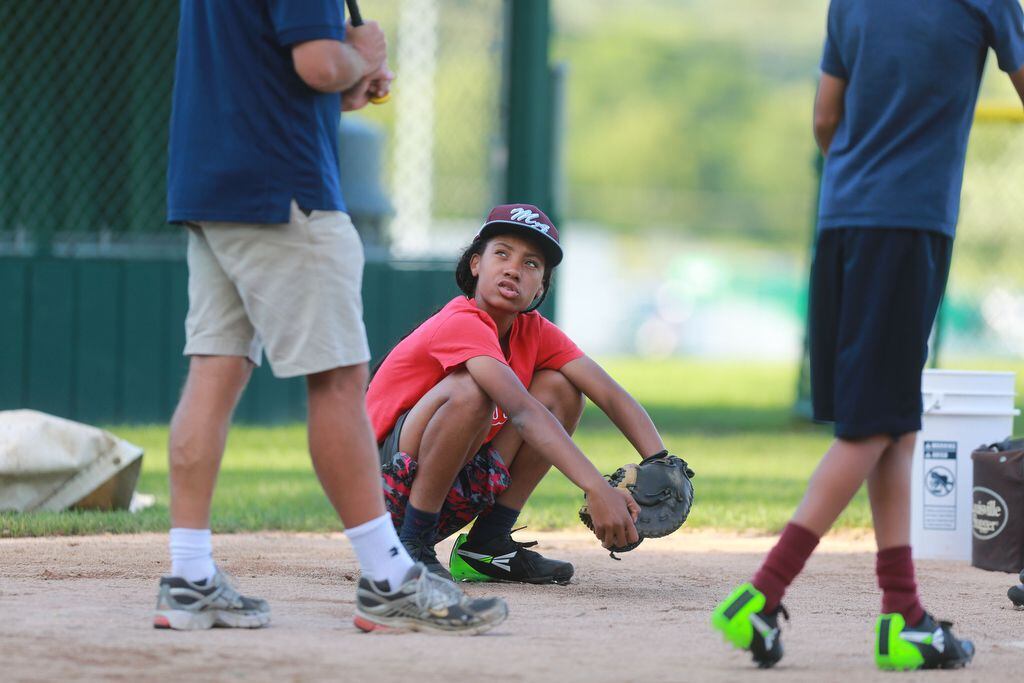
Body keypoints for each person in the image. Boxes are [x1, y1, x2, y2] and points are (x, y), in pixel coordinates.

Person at [156, 0, 506, 634]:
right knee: (340, 382)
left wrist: (347, 77)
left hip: (211, 186)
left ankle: (189, 576)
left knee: (214, 371)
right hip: (284, 188)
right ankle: (390, 580)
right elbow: (317, 64)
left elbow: (281, 74)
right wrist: (358, 56)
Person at [711, 0, 1024, 671]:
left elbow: (826, 117)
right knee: (868, 428)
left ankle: (902, 617)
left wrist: (865, 173)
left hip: (844, 218)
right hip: (908, 227)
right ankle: (759, 595)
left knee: (894, 425)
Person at [366, 203, 673, 584]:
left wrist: (661, 461)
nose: (514, 267)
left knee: (562, 390)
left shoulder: (533, 330)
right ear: (476, 264)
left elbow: (608, 392)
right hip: (380, 491)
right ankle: (410, 547)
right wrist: (596, 487)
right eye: (501, 253)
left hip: (446, 481)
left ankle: (488, 546)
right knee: (472, 392)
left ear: (541, 286)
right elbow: (523, 413)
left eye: (531, 264)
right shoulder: (461, 321)